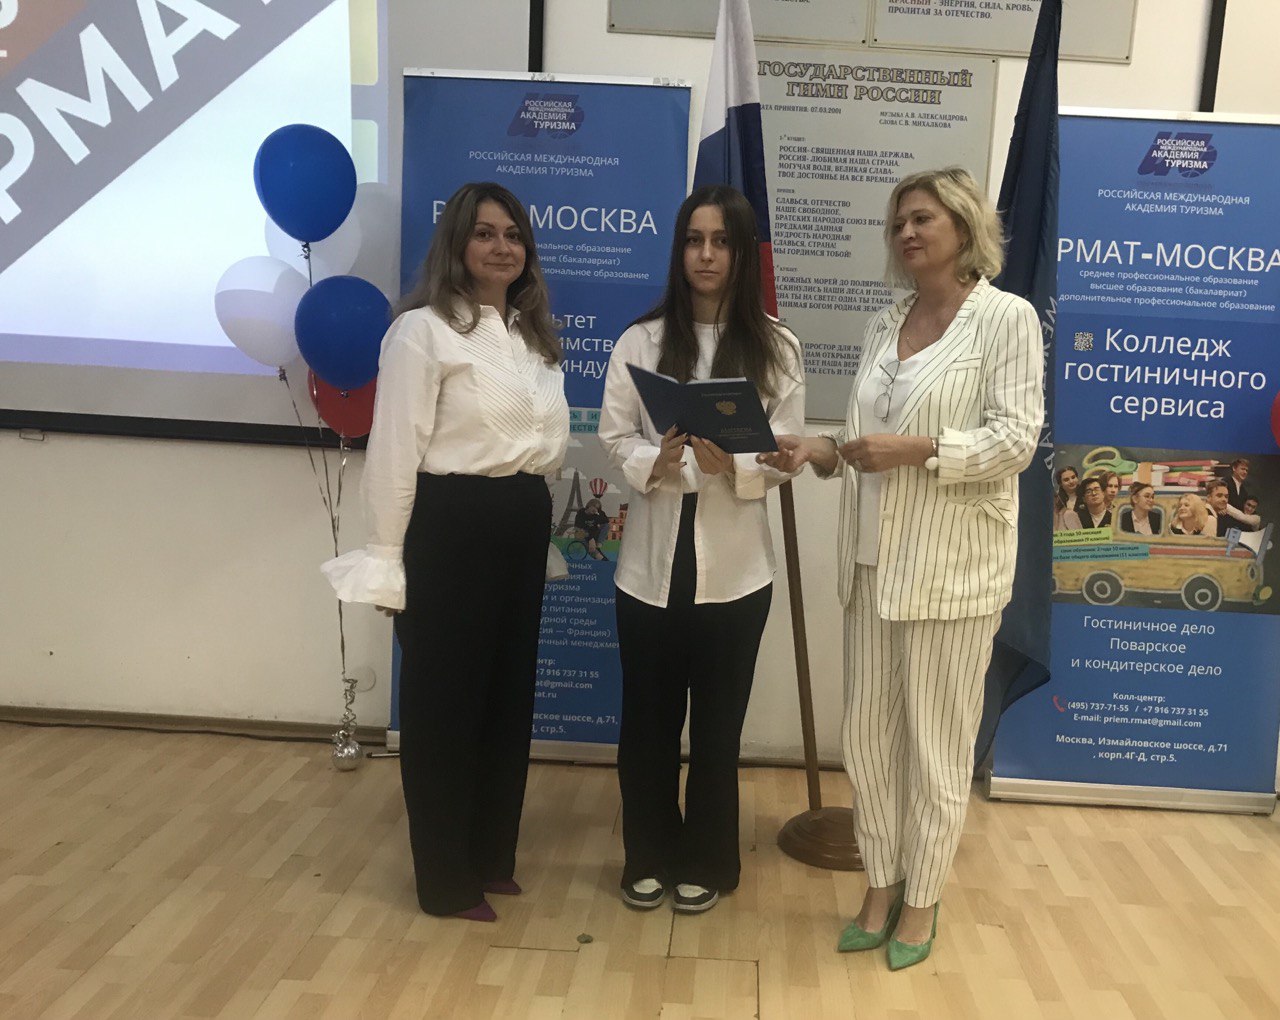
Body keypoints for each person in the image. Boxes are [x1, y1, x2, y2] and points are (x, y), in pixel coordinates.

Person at [760, 167, 1043, 969]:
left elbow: (1015, 441)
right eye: (897, 224)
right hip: (871, 566)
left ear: (964, 225)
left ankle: (922, 899)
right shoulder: (884, 323)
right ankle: (880, 884)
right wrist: (818, 450)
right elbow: (863, 443)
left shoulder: (1006, 319)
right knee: (868, 742)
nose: (907, 233)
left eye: (922, 218)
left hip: (953, 574)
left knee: (937, 748)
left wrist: (919, 450)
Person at [322, 182, 569, 922]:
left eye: (513, 235)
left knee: (505, 701)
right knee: (444, 710)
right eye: (485, 233)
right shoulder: (421, 332)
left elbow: (539, 447)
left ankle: (491, 857)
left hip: (519, 521)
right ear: (457, 243)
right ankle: (444, 880)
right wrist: (386, 558)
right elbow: (394, 453)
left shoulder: (532, 339)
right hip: (450, 526)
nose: (502, 247)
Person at [598, 184, 804, 915]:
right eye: (694, 240)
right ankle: (647, 853)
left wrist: (737, 465)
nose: (706, 255)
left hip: (737, 574)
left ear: (742, 253)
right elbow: (613, 436)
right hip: (650, 570)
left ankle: (709, 858)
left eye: (721, 241)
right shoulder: (642, 341)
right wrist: (657, 461)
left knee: (717, 728)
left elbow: (785, 454)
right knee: (647, 724)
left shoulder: (777, 345)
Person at [1054, 466, 1082, 531]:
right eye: (1066, 480)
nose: (1071, 481)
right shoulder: (1056, 499)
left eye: (1073, 477)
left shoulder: (1086, 493)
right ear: (1060, 483)